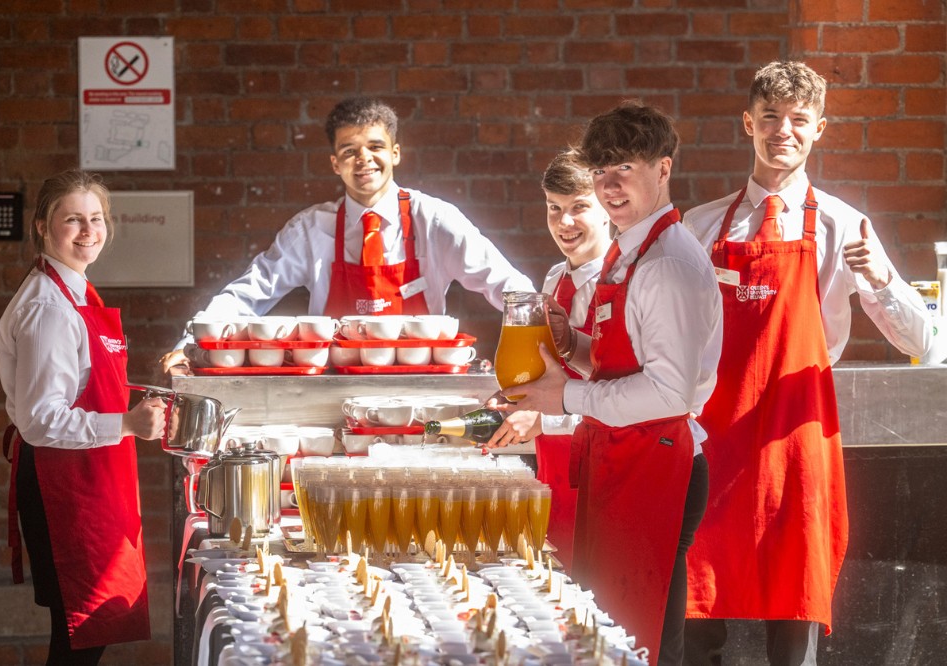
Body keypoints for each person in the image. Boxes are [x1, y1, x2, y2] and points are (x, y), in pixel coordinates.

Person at [682, 61, 932, 666]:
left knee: (793, 618)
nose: (782, 131)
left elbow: (924, 340)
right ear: (748, 123)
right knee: (696, 613)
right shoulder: (698, 226)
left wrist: (879, 280)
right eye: (770, 117)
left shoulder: (847, 227)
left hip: (796, 444)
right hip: (714, 439)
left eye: (798, 119)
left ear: (819, 128)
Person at [496, 101, 722, 665]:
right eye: (600, 171)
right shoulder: (631, 250)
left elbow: (670, 393)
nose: (610, 184)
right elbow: (624, 362)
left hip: (659, 464)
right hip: (623, 458)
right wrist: (572, 349)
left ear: (663, 168)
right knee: (608, 639)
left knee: (641, 642)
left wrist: (564, 396)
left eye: (625, 167)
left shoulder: (667, 262)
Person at [160, 96, 534, 374]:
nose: (364, 159)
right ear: (334, 164)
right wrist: (190, 344)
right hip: (332, 391)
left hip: (420, 392)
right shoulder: (310, 230)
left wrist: (546, 342)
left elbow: (504, 283)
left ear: (396, 152)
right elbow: (250, 292)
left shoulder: (433, 220)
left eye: (375, 147)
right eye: (349, 151)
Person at [0, 169, 167, 665]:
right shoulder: (48, 307)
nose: (88, 230)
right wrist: (128, 425)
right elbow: (41, 420)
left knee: (90, 633)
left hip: (86, 472)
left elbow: (82, 384)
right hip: (62, 482)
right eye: (73, 220)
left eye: (96, 218)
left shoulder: (75, 289)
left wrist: (139, 403)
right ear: (43, 228)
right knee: (81, 638)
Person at [484, 149, 612, 568]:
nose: (564, 222)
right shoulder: (555, 278)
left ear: (607, 208)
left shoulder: (623, 278)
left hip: (604, 467)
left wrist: (544, 419)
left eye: (579, 208)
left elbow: (627, 392)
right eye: (554, 209)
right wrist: (517, 400)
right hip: (554, 467)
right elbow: (545, 371)